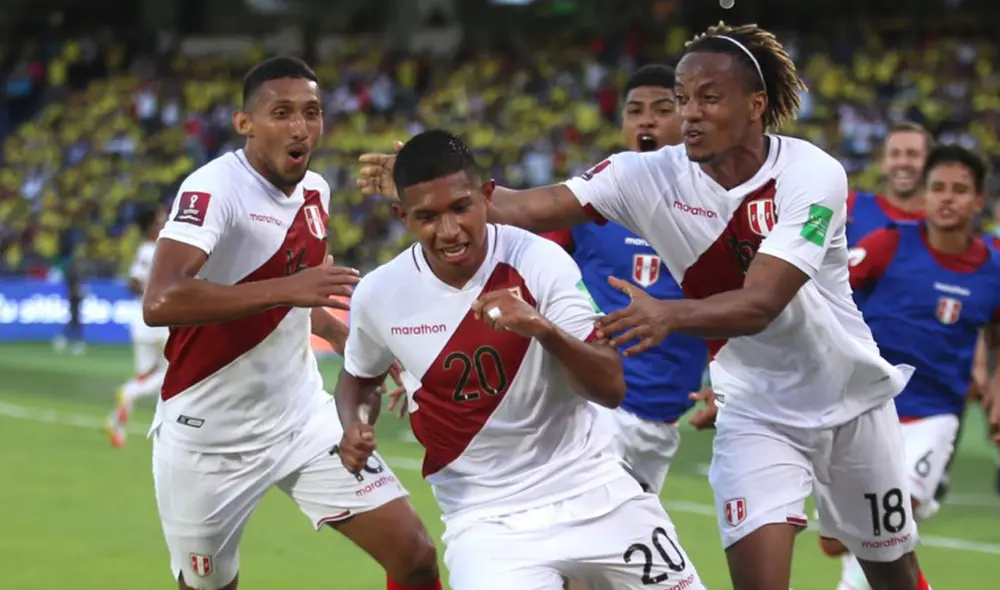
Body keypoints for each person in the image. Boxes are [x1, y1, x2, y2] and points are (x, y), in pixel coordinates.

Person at [357, 23, 935, 590]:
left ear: (756, 103)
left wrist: (669, 314)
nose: (690, 113)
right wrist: (431, 185)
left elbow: (762, 302)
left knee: (893, 575)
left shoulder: (812, 174)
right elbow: (528, 206)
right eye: (683, 99)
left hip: (852, 398)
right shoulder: (645, 176)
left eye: (710, 98)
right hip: (757, 409)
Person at [337, 129, 706, 590]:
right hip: (489, 522)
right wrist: (355, 423)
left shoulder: (539, 260)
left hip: (596, 491)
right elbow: (359, 378)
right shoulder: (379, 294)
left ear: (487, 197)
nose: (448, 231)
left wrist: (543, 331)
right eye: (427, 217)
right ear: (402, 216)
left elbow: (610, 387)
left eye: (460, 208)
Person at [143, 57, 440, 590]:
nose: (300, 127)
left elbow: (294, 299)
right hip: (210, 439)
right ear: (245, 123)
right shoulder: (213, 190)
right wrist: (291, 290)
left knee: (414, 555)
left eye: (312, 112)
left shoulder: (315, 193)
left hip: (302, 419)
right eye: (281, 113)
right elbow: (161, 299)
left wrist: (341, 332)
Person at [835, 145, 1000, 589]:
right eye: (938, 188)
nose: (947, 198)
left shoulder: (994, 270)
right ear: (925, 196)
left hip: (934, 417)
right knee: (852, 539)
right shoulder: (889, 243)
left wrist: (995, 392)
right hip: (864, 409)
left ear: (978, 201)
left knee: (889, 518)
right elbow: (828, 295)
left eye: (960, 190)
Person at [543, 64, 708, 494]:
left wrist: (729, 387)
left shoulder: (715, 211)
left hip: (661, 426)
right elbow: (524, 263)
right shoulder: (588, 201)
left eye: (662, 109)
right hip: (594, 412)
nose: (647, 120)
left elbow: (742, 307)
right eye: (635, 111)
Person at [103, 206, 170, 447]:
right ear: (152, 224)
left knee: (145, 375)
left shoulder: (145, 250)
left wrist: (146, 292)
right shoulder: (155, 250)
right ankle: (130, 393)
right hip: (158, 319)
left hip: (141, 320)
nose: (165, 222)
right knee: (171, 372)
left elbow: (132, 283)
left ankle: (116, 424)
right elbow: (134, 282)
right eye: (161, 219)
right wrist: (156, 293)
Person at [846, 122, 932, 247]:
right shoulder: (849, 205)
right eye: (895, 154)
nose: (903, 163)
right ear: (882, 163)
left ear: (931, 163)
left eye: (912, 154)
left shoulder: (942, 223)